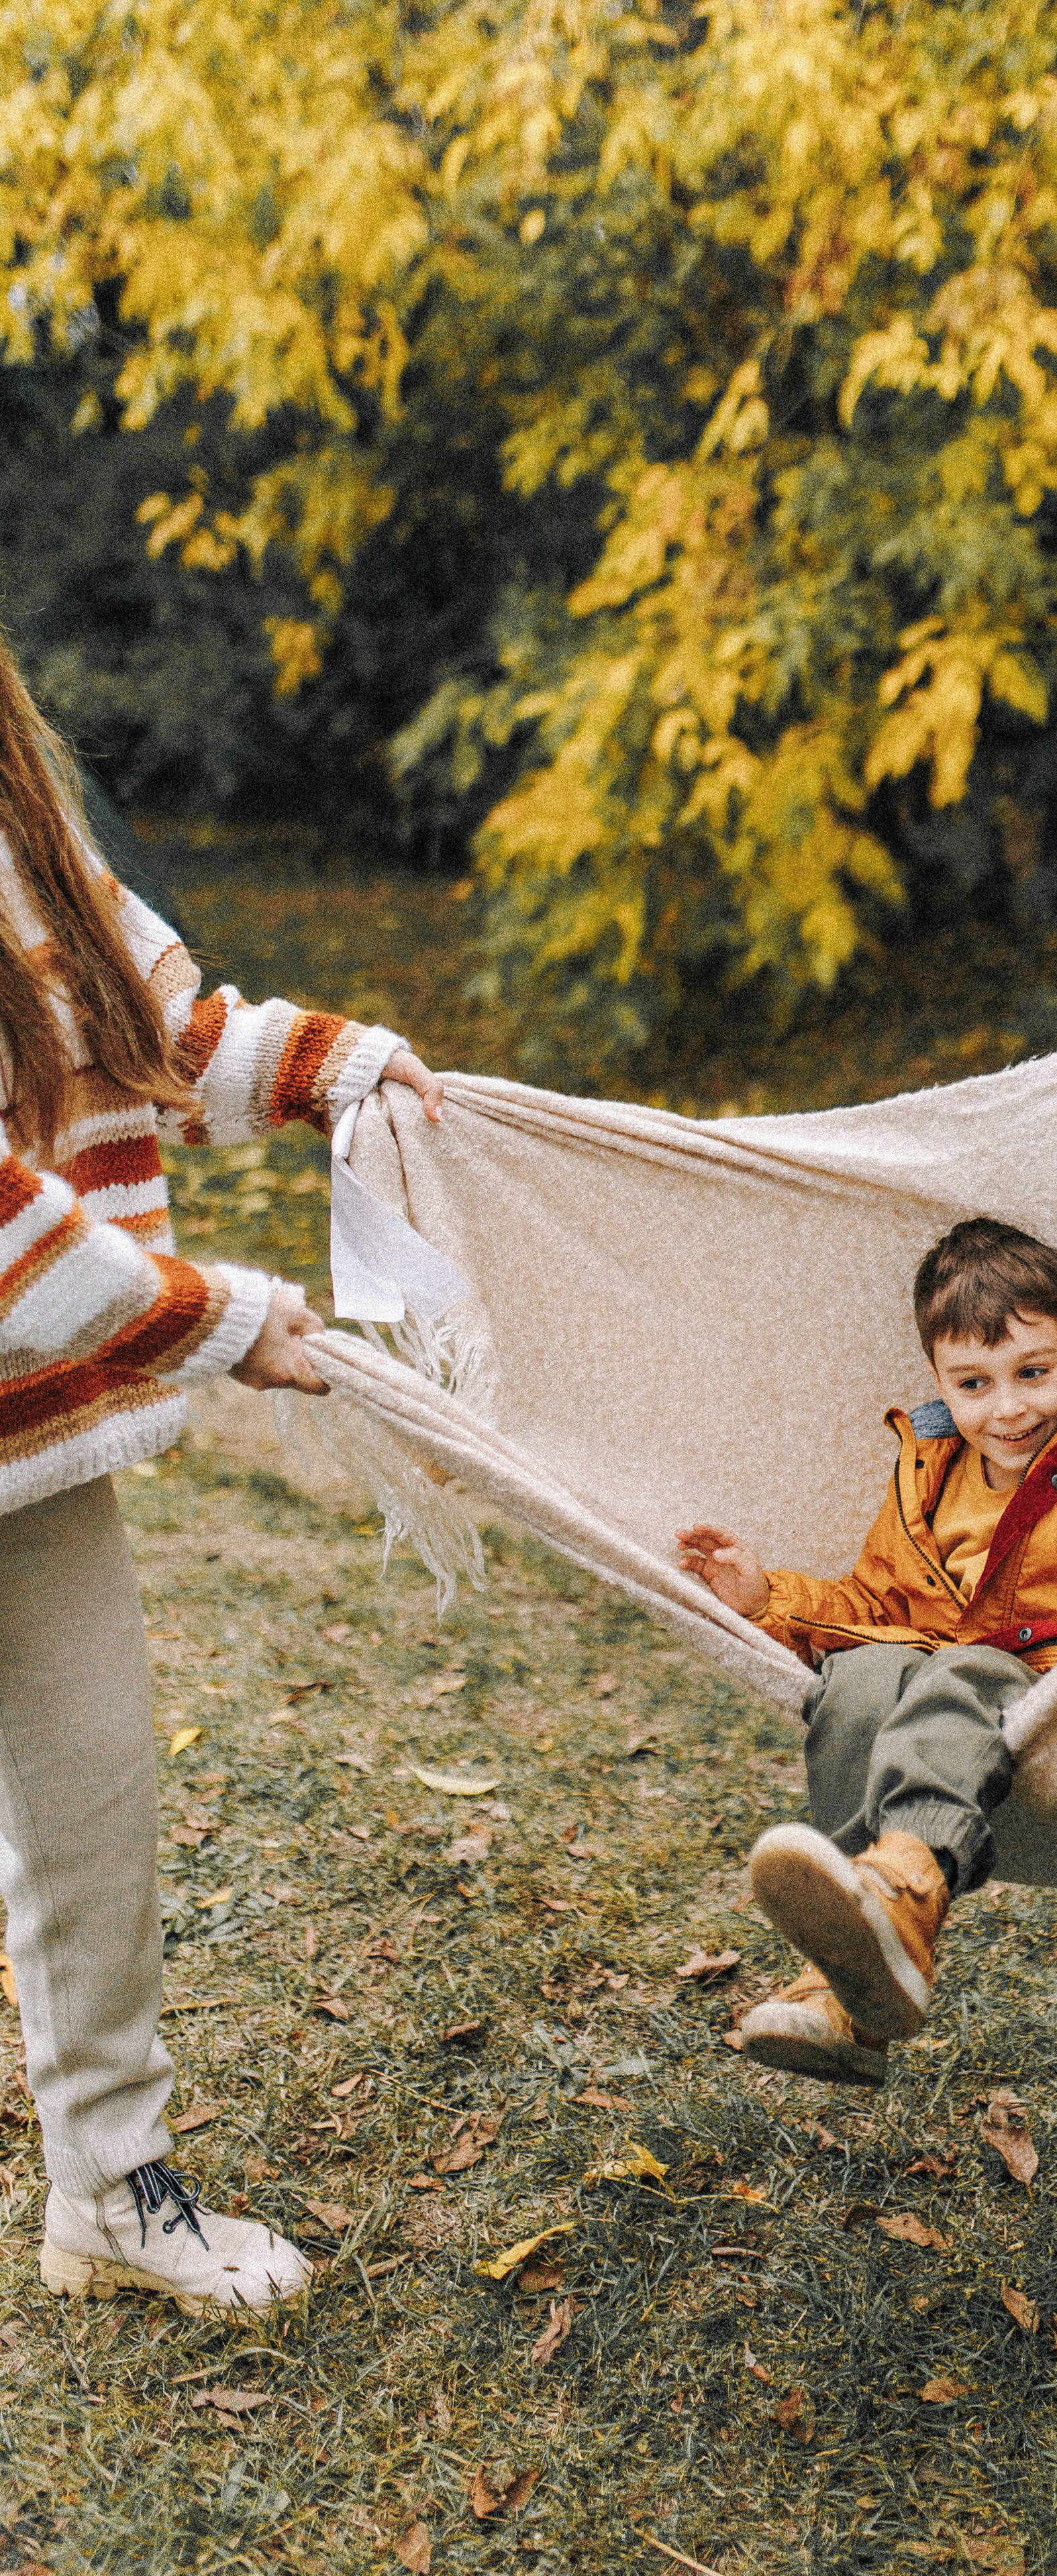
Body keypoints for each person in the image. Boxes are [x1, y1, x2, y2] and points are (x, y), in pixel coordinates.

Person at [0, 635, 444, 2315]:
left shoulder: (19, 814)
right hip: (40, 1332)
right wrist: (213, 1318)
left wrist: (329, 1066)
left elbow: (151, 1024)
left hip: (20, 1424)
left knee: (94, 1786)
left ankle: (108, 2187)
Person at [676, 1217, 1057, 2086]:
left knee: (961, 1669)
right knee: (858, 1681)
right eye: (973, 1384)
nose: (1007, 1408)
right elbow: (876, 1605)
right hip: (935, 1687)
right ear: (938, 1381)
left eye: (1033, 1374)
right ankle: (854, 1977)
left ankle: (907, 1886)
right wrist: (768, 1600)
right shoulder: (930, 1472)